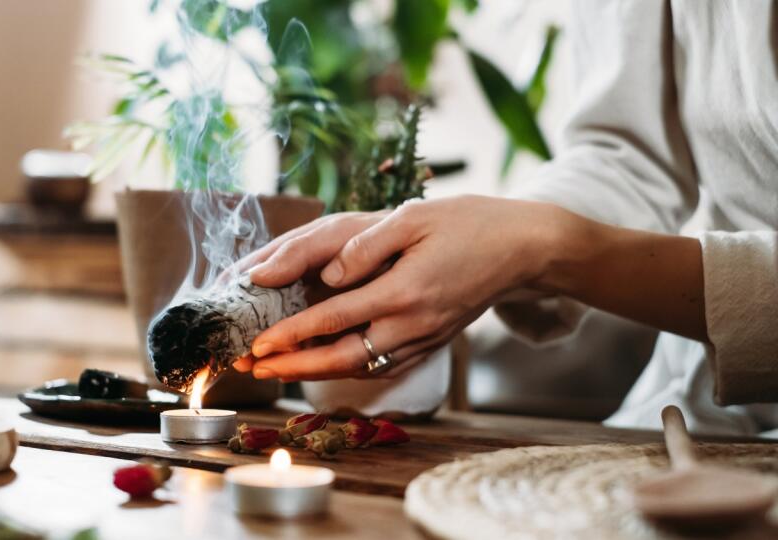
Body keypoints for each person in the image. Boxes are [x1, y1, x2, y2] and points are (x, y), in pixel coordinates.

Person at [232, 0, 778, 436]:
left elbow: (554, 239)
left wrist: (542, 248)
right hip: (697, 415)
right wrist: (477, 237)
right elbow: (627, 156)